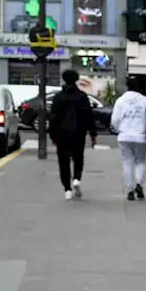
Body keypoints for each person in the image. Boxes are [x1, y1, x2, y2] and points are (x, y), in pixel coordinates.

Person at [49, 69, 97, 200]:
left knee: (63, 162)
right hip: (78, 133)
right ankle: (76, 178)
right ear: (76, 80)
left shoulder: (59, 97)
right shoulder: (82, 96)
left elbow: (53, 117)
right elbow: (89, 116)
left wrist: (52, 135)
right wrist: (93, 133)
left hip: (62, 134)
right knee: (78, 158)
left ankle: (67, 190)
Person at [111, 73, 146, 201]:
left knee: (127, 162)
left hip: (124, 136)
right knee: (140, 161)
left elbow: (115, 120)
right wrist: (145, 129)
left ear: (127, 86)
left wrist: (118, 130)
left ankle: (129, 189)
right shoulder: (144, 100)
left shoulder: (120, 101)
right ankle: (139, 183)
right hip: (140, 135)